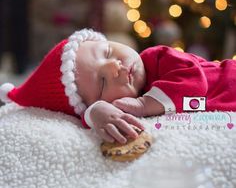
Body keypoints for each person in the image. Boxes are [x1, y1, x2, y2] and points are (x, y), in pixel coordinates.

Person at [0, 28, 235, 144]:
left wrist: (145, 104)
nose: (114, 66)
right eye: (102, 82)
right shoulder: (122, 105)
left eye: (108, 52)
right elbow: (91, 114)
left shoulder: (158, 58)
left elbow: (194, 85)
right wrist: (95, 113)